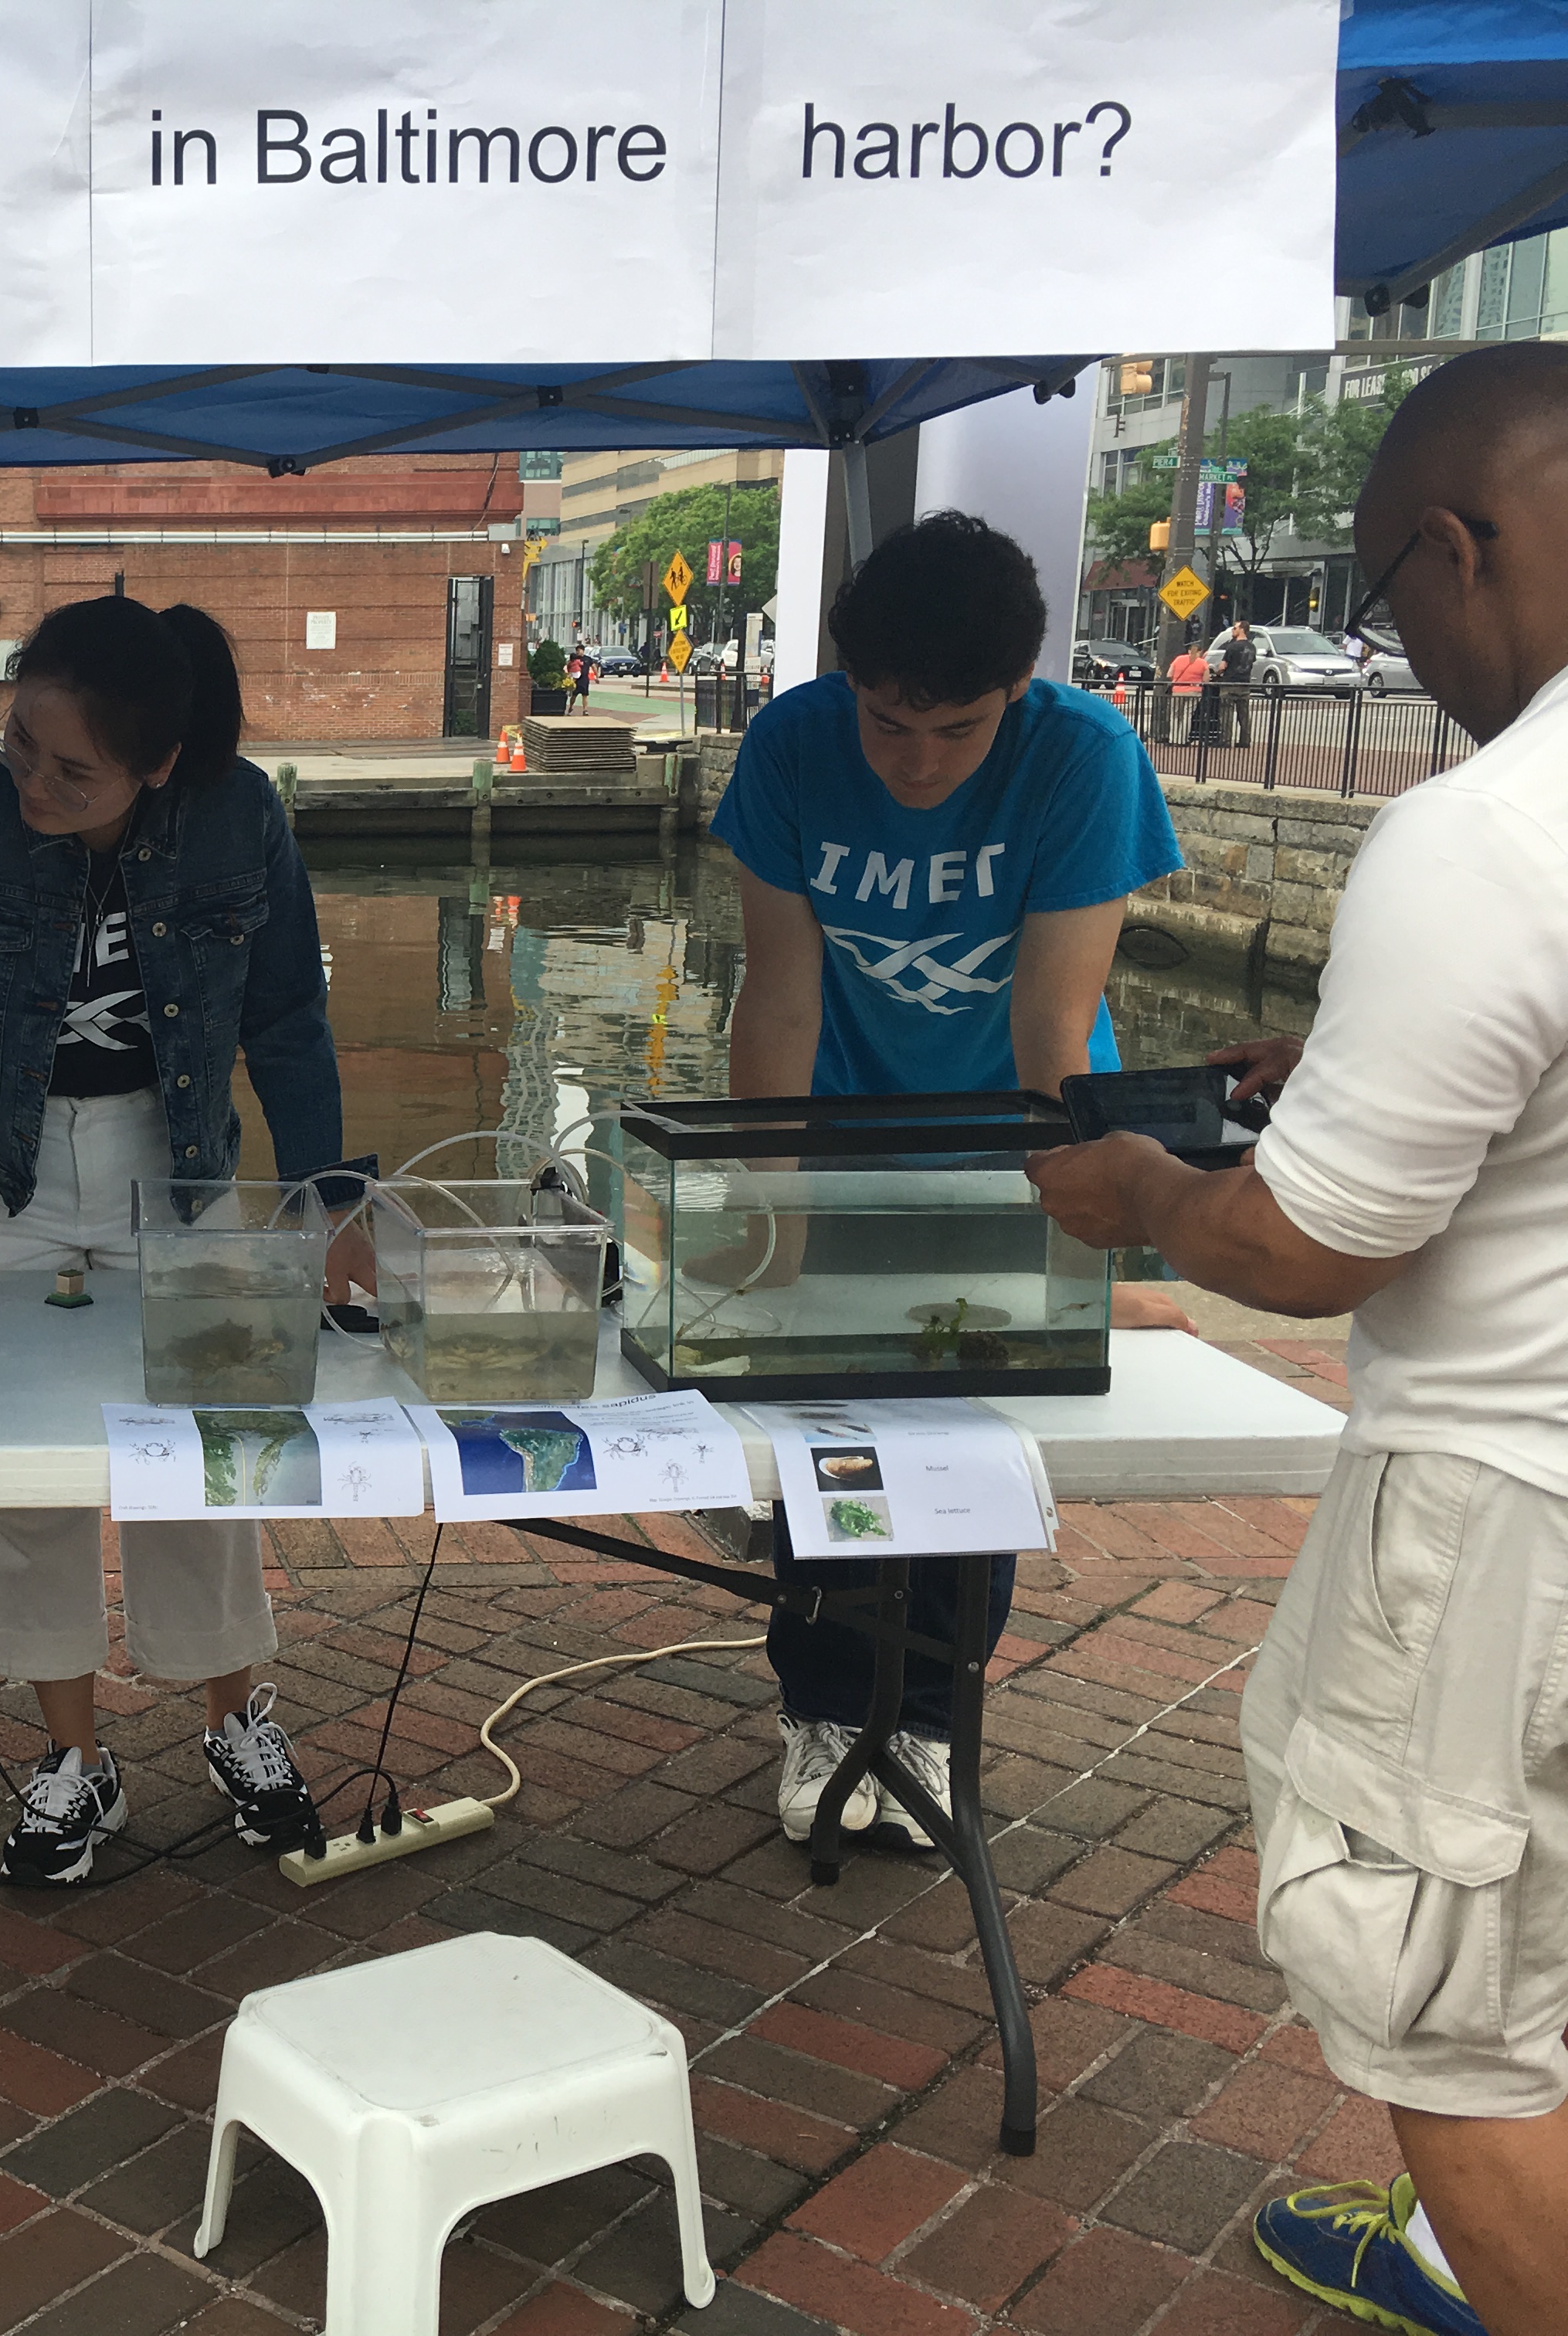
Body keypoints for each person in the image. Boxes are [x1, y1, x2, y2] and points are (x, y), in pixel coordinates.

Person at [1030, 341, 1568, 2336]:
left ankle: (1492, 2250)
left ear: (1454, 544)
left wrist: (1145, 1200)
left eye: (1384, 595)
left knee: (1450, 2024)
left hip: (1511, 1514)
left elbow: (1311, 1241)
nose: (1403, 643)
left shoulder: (1487, 833)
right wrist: (1351, 1066)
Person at [0, 595, 369, 1886]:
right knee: (18, 1468)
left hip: (173, 1162)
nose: (29, 778)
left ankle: (230, 1715)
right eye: (19, 737)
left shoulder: (239, 812)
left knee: (201, 1450)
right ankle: (72, 1760)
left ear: (156, 764)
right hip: (0, 1171)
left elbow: (289, 1021)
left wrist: (331, 1204)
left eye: (71, 768)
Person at [706, 509, 1190, 1854]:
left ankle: (922, 1710)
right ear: (847, 683)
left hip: (1014, 1142)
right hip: (846, 1126)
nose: (916, 762)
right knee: (831, 1437)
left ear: (1014, 694)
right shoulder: (793, 744)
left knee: (971, 1442)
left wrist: (1056, 1221)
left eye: (955, 730)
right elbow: (781, 995)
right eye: (887, 722)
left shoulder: (1080, 755)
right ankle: (819, 1707)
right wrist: (774, 1204)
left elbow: (1053, 1022)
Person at [1217, 618, 1258, 746]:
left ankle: (1226, 740)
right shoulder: (1252, 647)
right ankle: (1245, 741)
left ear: (1242, 630)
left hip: (1230, 683)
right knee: (1244, 714)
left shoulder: (1232, 647)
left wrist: (1218, 672)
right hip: (1245, 683)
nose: (1232, 630)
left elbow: (1223, 666)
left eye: (1234, 628)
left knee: (1226, 713)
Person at [1169, 640, 1211, 742]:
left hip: (1178, 690)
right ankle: (1182, 739)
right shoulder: (1203, 663)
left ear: (1189, 651)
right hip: (1194, 690)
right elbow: (1206, 680)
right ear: (1199, 652)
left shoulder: (1178, 659)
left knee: (1175, 714)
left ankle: (1173, 738)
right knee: (1187, 715)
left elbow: (1169, 674)